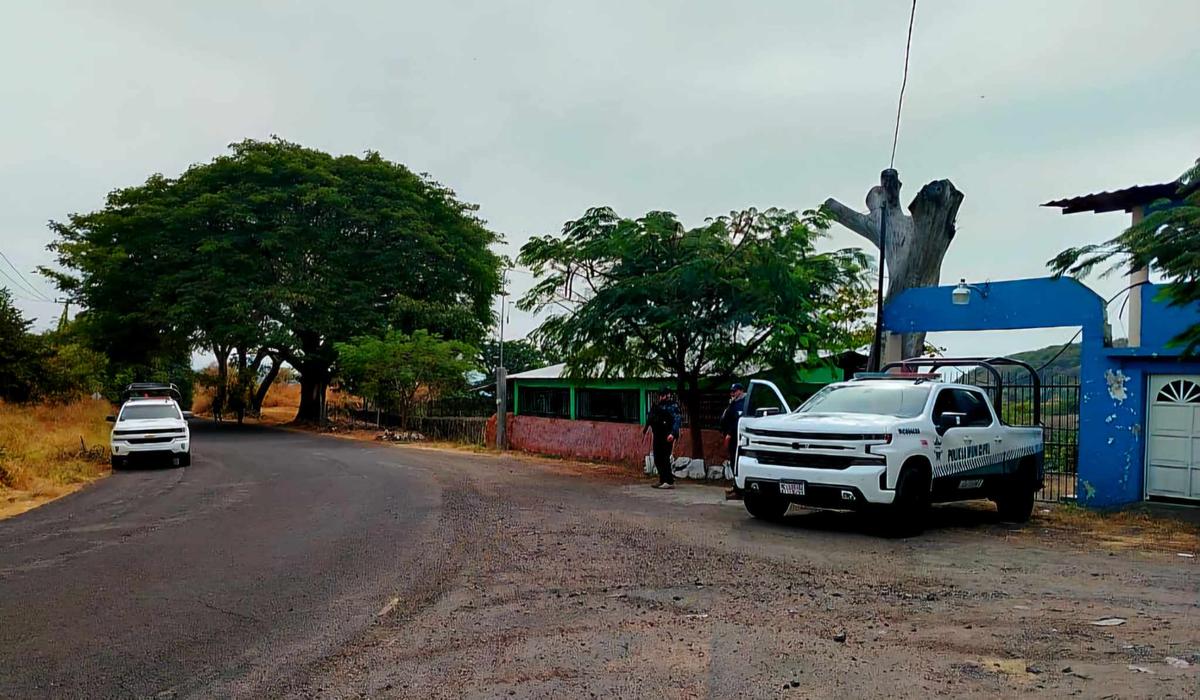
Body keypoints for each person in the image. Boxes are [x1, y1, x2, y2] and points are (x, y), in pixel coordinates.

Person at [644, 390, 682, 489]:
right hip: (657, 434)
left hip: (667, 435)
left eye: (663, 395)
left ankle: (668, 481)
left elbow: (677, 420)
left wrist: (673, 434)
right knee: (657, 457)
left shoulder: (673, 406)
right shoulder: (658, 406)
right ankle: (662, 479)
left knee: (665, 457)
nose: (661, 397)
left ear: (668, 395)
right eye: (660, 395)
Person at [719, 383, 748, 500]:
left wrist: (729, 434)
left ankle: (739, 490)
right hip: (731, 438)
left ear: (741, 391)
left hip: (737, 439)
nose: (732, 394)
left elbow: (738, 422)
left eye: (735, 391)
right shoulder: (733, 403)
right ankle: (736, 487)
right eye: (731, 392)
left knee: (736, 464)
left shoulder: (742, 404)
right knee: (732, 462)